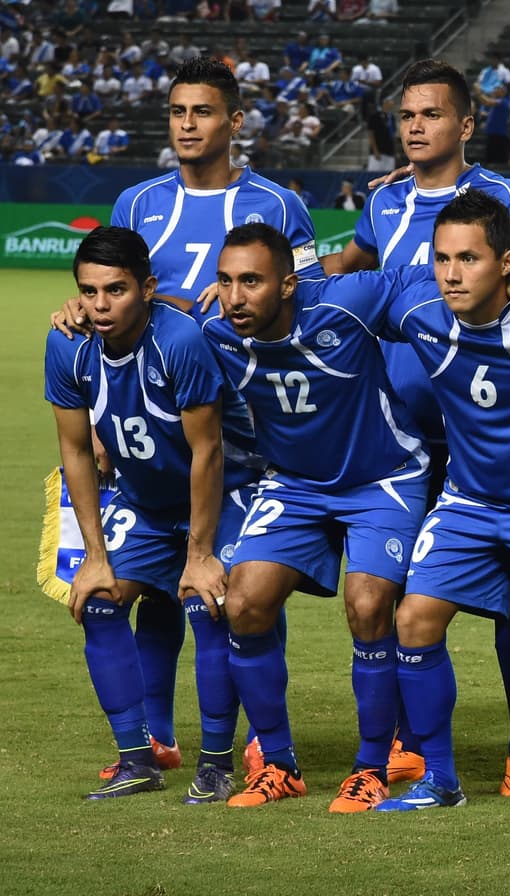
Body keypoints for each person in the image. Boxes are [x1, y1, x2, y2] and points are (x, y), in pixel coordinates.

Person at [54, 57, 322, 781]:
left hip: (249, 425)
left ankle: (263, 740)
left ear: (235, 122)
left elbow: (310, 305)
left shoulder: (280, 204)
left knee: (239, 589)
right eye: (177, 112)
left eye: (202, 112)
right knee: (155, 587)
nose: (186, 125)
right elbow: (114, 294)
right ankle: (159, 738)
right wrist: (83, 316)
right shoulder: (139, 202)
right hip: (151, 423)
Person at [340, 58, 510, 796]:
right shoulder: (385, 206)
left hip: (509, 431)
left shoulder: (508, 199)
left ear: (464, 123)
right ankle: (413, 750)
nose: (415, 127)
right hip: (400, 437)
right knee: (399, 597)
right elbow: (348, 279)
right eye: (406, 116)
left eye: (429, 114)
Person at [194, 223, 431, 812]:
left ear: (289, 285)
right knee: (242, 604)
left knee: (370, 603)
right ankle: (278, 765)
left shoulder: (346, 303)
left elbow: (425, 277)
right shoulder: (216, 334)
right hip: (297, 485)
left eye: (251, 281)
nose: (235, 296)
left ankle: (372, 766)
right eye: (225, 282)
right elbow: (150, 326)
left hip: (385, 476)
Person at [45, 226, 258, 803]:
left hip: (223, 494)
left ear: (147, 288)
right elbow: (74, 451)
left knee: (208, 603)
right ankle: (136, 758)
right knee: (99, 602)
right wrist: (93, 557)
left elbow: (209, 451)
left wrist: (199, 553)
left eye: (115, 290)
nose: (100, 305)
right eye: (88, 292)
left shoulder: (180, 341)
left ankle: (217, 764)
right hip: (145, 503)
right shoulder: (66, 344)